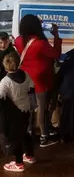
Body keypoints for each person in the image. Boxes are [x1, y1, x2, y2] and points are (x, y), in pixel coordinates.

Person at [15, 15, 62, 147]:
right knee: (42, 108)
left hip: (26, 78)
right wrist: (56, 35)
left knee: (29, 107)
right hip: (41, 78)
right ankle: (44, 137)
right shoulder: (40, 43)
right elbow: (56, 54)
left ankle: (30, 132)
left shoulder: (18, 40)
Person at [0, 52, 35, 172]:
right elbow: (31, 89)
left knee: (16, 137)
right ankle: (30, 155)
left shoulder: (5, 81)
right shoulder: (26, 74)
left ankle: (18, 163)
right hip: (26, 109)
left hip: (14, 113)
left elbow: (1, 97)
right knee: (24, 132)